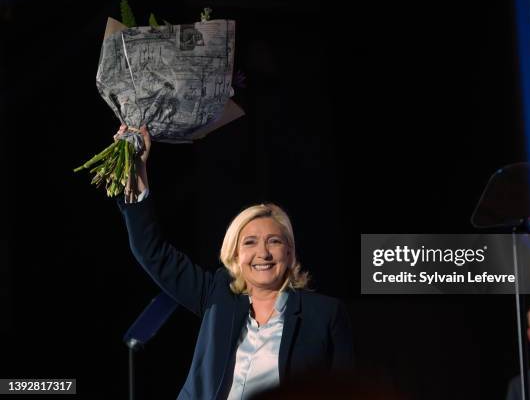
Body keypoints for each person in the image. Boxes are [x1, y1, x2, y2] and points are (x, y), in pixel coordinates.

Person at [115, 125, 355, 399]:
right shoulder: (216, 294)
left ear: (290, 252)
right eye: (250, 242)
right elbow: (152, 252)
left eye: (274, 242)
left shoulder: (325, 315)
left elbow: (344, 390)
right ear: (235, 255)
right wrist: (136, 172)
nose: (263, 253)